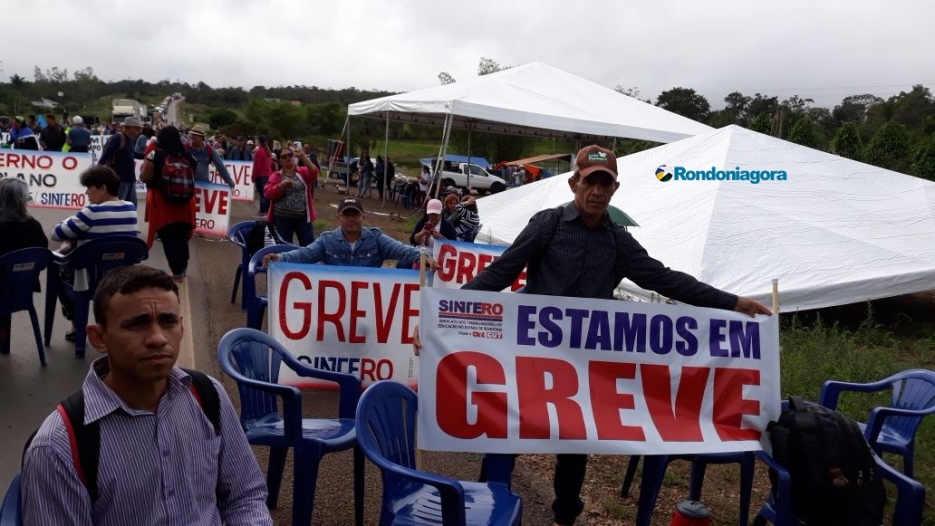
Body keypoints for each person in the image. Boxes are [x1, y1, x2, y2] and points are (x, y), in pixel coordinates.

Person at [414, 145, 772, 526]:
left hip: (582, 370)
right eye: (590, 182)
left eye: (605, 184)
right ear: (574, 183)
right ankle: (485, 509)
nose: (597, 191)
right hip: (530, 359)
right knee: (506, 437)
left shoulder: (617, 240)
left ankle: (564, 518)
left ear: (615, 189)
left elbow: (664, 279)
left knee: (575, 447)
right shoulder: (547, 224)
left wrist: (733, 303)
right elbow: (501, 273)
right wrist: (439, 316)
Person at [21, 265, 272, 525]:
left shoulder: (207, 395)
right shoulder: (59, 447)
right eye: (137, 324)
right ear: (99, 338)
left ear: (181, 328)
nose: (157, 338)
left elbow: (245, 496)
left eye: (167, 321)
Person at [51, 166, 139, 341]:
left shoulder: (91, 212)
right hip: (121, 279)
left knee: (59, 272)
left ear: (103, 188)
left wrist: (72, 224)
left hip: (91, 282)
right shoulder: (130, 209)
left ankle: (77, 324)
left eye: (89, 188)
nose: (86, 193)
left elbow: (57, 233)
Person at [263, 197, 426, 268]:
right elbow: (304, 254)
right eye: (346, 215)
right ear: (338, 217)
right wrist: (280, 258)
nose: (351, 219)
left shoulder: (376, 238)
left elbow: (402, 250)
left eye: (355, 215)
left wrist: (425, 258)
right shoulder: (327, 240)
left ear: (363, 216)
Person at [140, 126, 197, 282]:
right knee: (181, 235)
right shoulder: (187, 156)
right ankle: (183, 269)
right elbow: (193, 175)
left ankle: (177, 272)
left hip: (163, 202)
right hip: (185, 202)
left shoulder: (155, 155)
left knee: (168, 236)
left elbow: (145, 177)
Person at [263, 146, 318, 246]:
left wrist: (304, 158)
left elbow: (314, 174)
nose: (288, 158)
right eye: (284, 157)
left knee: (309, 247)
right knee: (283, 248)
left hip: (303, 217)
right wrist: (280, 186)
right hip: (282, 217)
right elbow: (267, 193)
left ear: (293, 157)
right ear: (280, 161)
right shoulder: (276, 176)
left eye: (290, 155)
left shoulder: (303, 172)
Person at [98, 117, 143, 208]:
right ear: (128, 128)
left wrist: (147, 155)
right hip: (120, 180)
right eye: (137, 128)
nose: (139, 130)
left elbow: (133, 154)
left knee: (131, 208)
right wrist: (98, 171)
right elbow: (106, 154)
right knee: (118, 207)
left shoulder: (130, 140)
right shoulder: (118, 138)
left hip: (130, 179)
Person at [185, 125, 235, 189]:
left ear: (202, 137)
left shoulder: (209, 150)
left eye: (196, 135)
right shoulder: (185, 147)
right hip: (188, 183)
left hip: (203, 185)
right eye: (193, 134)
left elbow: (220, 166)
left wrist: (229, 180)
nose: (193, 137)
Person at [251, 135, 273, 218]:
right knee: (265, 194)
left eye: (256, 140)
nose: (255, 141)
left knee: (262, 194)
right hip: (267, 174)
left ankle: (263, 211)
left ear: (259, 141)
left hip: (261, 175)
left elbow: (257, 165)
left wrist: (253, 177)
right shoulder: (267, 151)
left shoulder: (259, 151)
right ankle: (265, 210)